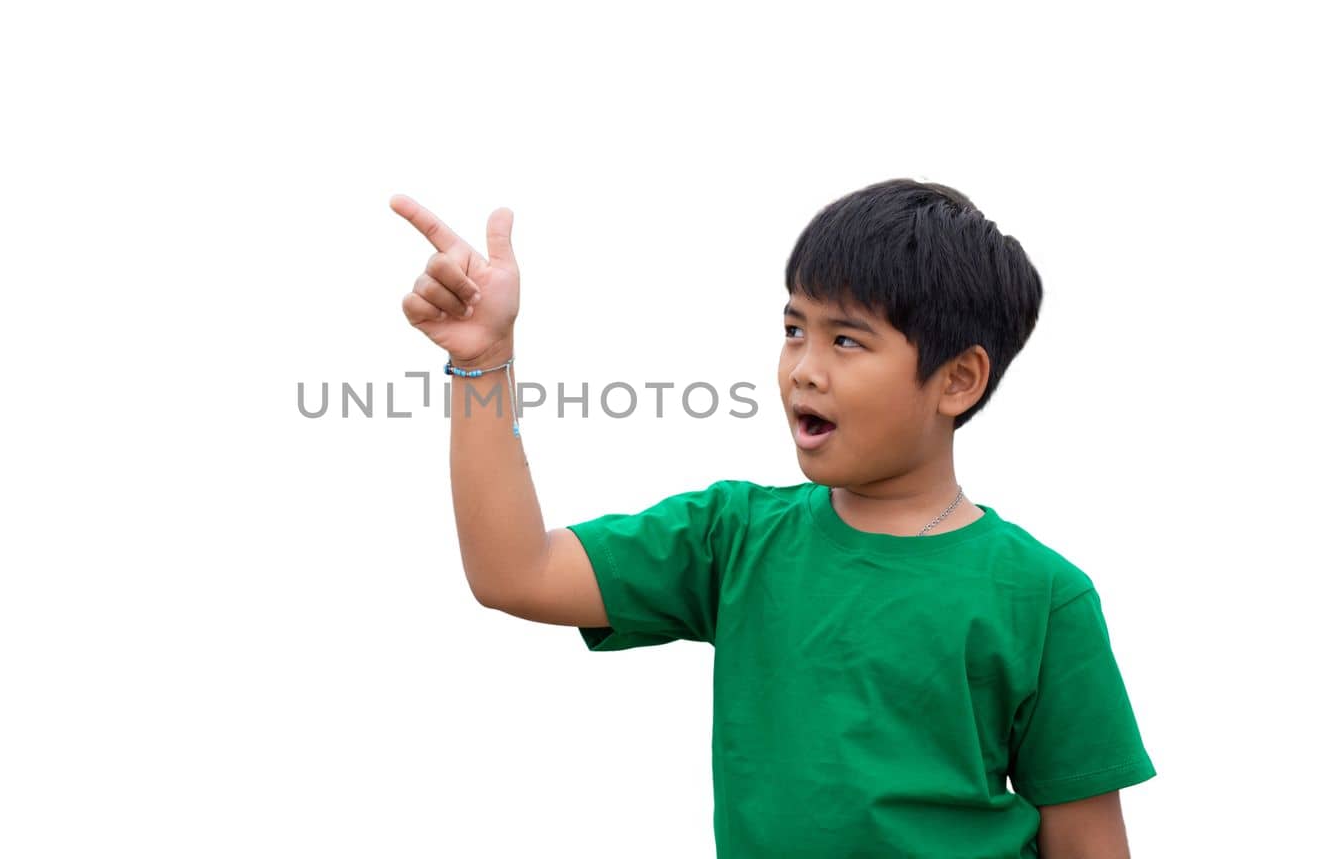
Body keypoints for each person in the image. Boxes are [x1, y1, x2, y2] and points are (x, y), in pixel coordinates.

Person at [388, 178, 1156, 859]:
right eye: (795, 329)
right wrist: (483, 360)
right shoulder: (734, 537)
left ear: (958, 378)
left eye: (846, 339)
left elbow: (1088, 842)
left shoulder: (1043, 596)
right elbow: (514, 572)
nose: (803, 368)